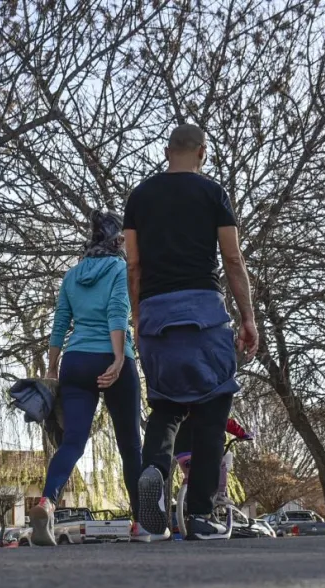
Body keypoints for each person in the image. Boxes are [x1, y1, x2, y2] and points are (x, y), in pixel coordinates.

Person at [124, 124, 258, 541]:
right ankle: (200, 512)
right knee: (214, 404)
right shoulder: (213, 194)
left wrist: (137, 317)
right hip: (203, 310)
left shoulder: (140, 197)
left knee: (165, 407)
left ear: (167, 152)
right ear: (202, 153)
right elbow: (232, 259)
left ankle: (152, 478)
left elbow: (133, 265)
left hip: (155, 317)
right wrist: (248, 317)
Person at [28, 210, 145, 545]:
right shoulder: (119, 268)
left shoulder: (72, 275)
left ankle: (47, 502)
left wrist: (52, 368)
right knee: (129, 446)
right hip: (111, 356)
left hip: (75, 361)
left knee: (73, 442)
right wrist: (120, 357)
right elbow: (117, 310)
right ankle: (142, 523)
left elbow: (60, 322)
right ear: (117, 241)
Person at [174, 416, 252, 508]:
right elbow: (227, 422)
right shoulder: (209, 408)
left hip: (180, 452)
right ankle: (220, 495)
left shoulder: (182, 410)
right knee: (221, 464)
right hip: (200, 449)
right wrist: (243, 434)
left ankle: (183, 503)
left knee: (189, 474)